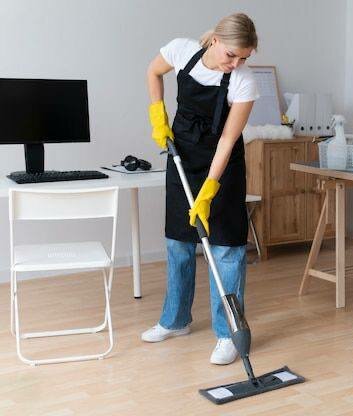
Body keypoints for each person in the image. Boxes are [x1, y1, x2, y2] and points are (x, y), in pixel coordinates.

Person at [141, 13, 259, 366]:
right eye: (231, 55)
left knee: (225, 248)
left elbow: (227, 140)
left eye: (243, 58)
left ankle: (228, 334)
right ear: (216, 41)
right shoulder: (181, 50)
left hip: (222, 167)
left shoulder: (244, 81)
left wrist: (209, 189)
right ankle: (175, 320)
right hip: (182, 156)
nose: (235, 64)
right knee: (178, 241)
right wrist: (158, 115)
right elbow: (153, 72)